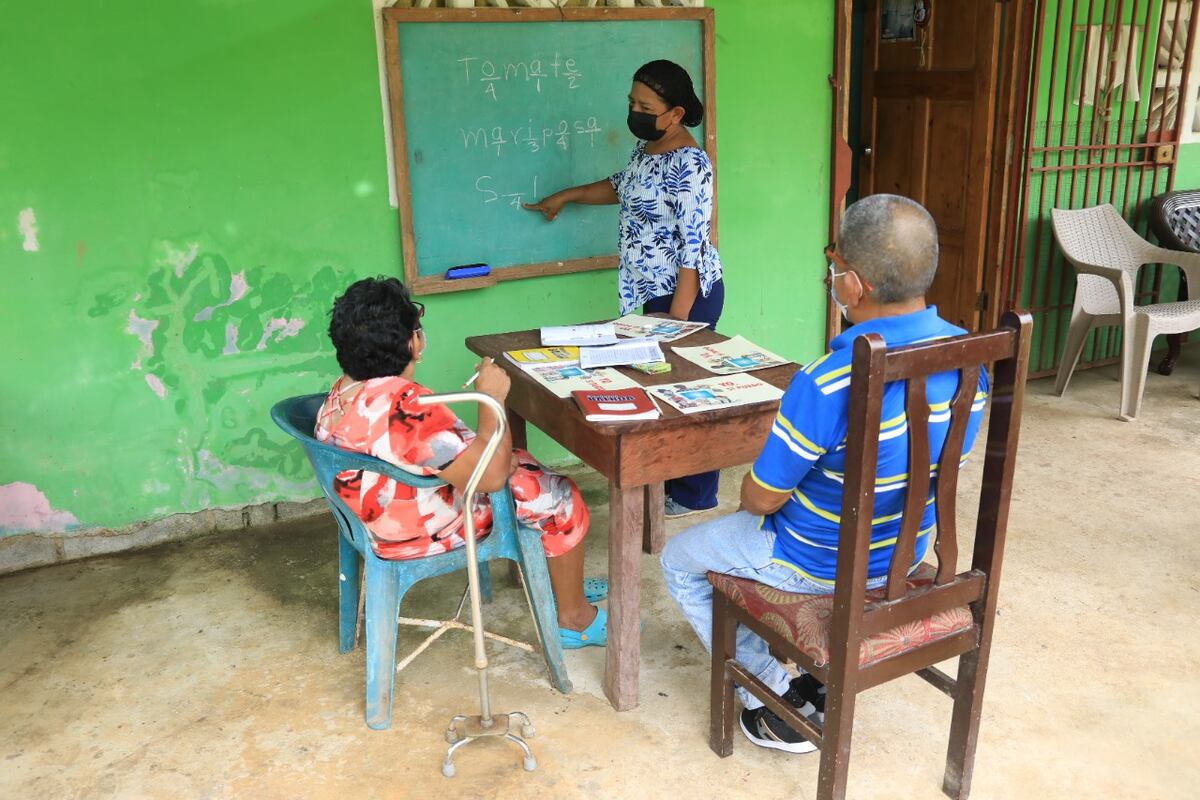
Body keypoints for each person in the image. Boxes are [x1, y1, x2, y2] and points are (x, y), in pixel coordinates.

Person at [659, 195, 990, 753]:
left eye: (835, 268)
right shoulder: (969, 356)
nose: (832, 278)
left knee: (679, 559)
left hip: (815, 564)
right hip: (903, 557)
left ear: (854, 285)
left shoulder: (828, 380)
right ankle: (802, 680)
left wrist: (750, 493)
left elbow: (763, 499)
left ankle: (773, 698)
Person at [316, 277, 607, 648]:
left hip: (369, 513)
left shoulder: (344, 390)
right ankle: (574, 618)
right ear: (414, 343)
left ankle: (562, 576)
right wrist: (493, 399)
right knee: (560, 494)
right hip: (414, 528)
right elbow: (491, 478)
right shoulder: (409, 409)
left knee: (524, 465)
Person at [524, 59, 723, 519]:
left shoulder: (692, 165)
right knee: (658, 389)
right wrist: (567, 195)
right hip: (645, 295)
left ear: (674, 114)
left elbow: (693, 249)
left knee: (683, 392)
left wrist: (678, 322)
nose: (633, 111)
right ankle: (664, 482)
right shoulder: (646, 148)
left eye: (644, 106)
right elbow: (622, 187)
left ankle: (694, 494)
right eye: (631, 102)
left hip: (683, 296)